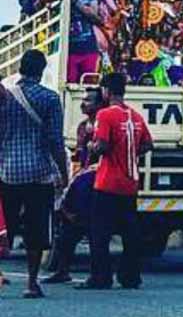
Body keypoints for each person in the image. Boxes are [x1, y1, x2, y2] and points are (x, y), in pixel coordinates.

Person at [0, 49, 69, 298]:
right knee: (36, 229)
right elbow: (55, 141)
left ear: (20, 67)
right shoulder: (49, 98)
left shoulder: (5, 97)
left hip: (7, 172)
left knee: (3, 227)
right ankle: (31, 283)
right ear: (41, 71)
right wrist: (63, 173)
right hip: (39, 174)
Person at [80, 71, 152, 290]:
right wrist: (129, 152)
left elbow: (101, 145)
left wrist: (90, 146)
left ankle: (100, 277)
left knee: (99, 233)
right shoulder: (136, 116)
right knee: (130, 233)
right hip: (130, 183)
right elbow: (148, 145)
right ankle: (130, 276)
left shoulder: (105, 115)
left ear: (106, 91)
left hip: (107, 182)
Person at [44, 89, 102, 283]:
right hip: (82, 182)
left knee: (95, 230)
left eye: (88, 100)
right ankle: (63, 270)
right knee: (68, 227)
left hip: (98, 182)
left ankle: (98, 275)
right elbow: (79, 157)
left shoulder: (102, 125)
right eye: (83, 100)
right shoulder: (83, 126)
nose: (83, 104)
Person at [36, 0, 104, 83]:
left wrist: (76, 1)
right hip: (67, 48)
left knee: (88, 84)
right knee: (68, 83)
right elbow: (41, 2)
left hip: (87, 46)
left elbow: (96, 18)